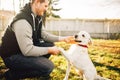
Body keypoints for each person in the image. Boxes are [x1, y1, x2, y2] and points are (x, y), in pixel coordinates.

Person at [0, 0, 73, 80]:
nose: (46, 9)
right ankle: (11, 74)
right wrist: (49, 50)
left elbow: (44, 35)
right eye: (45, 6)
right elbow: (27, 50)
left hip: (22, 50)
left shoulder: (36, 17)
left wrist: (63, 39)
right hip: (12, 56)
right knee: (48, 67)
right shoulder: (23, 21)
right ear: (37, 3)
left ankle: (32, 66)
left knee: (50, 44)